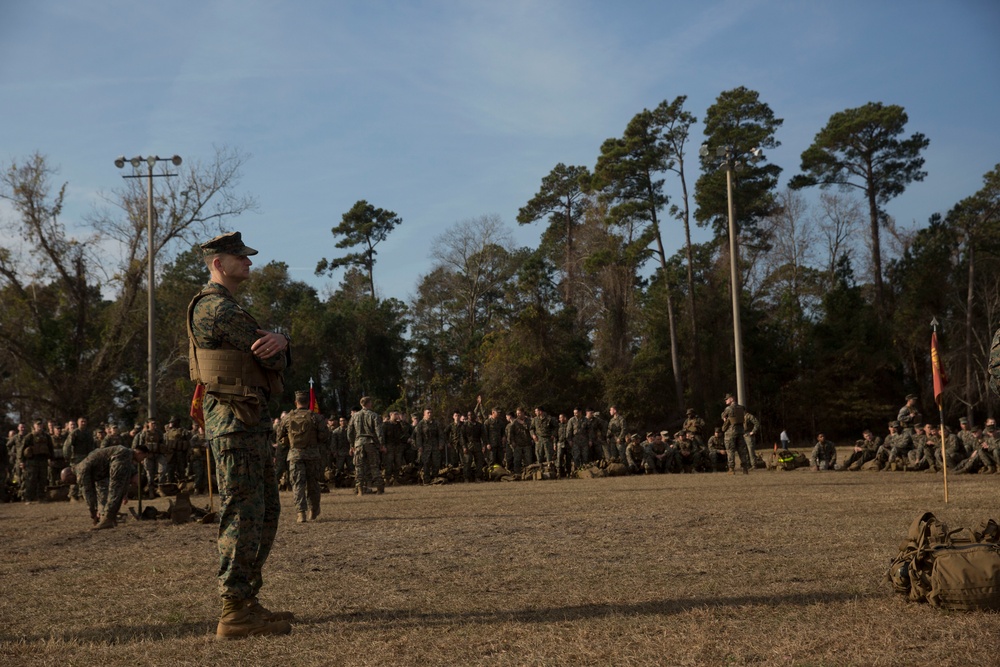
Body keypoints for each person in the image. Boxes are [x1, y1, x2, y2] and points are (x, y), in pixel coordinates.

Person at [188, 231, 292, 639]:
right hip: (234, 421)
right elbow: (273, 354)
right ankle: (233, 609)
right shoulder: (217, 308)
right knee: (244, 513)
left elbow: (273, 352)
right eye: (241, 258)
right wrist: (283, 340)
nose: (249, 263)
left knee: (264, 512)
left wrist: (281, 340)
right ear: (219, 263)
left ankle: (246, 599)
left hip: (244, 421)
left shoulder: (226, 305)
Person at [67, 444, 150, 529]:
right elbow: (88, 494)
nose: (141, 461)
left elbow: (124, 478)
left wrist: (124, 494)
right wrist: (93, 513)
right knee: (115, 489)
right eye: (143, 458)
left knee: (116, 488)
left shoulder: (126, 455)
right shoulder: (82, 471)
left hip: (105, 473)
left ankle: (109, 518)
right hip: (104, 474)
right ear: (139, 453)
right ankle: (108, 519)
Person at [278, 391, 330, 521]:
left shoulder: (287, 418)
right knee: (313, 483)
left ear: (296, 402)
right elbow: (325, 435)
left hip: (295, 455)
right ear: (308, 402)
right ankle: (313, 510)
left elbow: (279, 436)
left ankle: (301, 513)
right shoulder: (315, 417)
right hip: (312, 455)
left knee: (297, 484)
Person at [347, 396, 385, 495]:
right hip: (370, 443)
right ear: (368, 403)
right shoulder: (374, 415)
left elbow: (350, 432)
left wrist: (351, 445)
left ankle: (360, 490)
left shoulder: (354, 416)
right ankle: (379, 488)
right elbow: (379, 431)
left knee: (359, 467)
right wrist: (381, 444)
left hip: (358, 443)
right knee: (374, 466)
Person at [18, 420, 53, 502]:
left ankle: (41, 497)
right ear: (34, 426)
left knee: (43, 479)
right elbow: (22, 449)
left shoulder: (47, 437)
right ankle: (28, 498)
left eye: (41, 424)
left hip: (43, 460)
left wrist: (51, 459)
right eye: (38, 425)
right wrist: (21, 461)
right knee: (31, 480)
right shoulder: (29, 436)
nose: (39, 426)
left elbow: (50, 449)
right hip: (32, 461)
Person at [721, 393, 751, 475]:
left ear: (731, 399)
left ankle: (731, 469)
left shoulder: (729, 409)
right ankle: (745, 468)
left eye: (727, 399)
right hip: (740, 431)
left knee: (730, 450)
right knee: (742, 450)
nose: (726, 401)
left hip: (731, 432)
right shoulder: (742, 408)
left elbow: (723, 416)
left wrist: (725, 419)